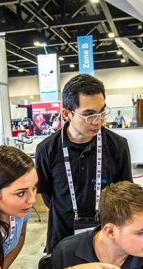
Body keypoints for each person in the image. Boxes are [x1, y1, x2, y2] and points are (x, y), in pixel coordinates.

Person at [35, 74, 133, 253]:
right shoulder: (46, 150)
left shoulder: (117, 146)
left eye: (102, 112)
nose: (98, 121)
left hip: (106, 234)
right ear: (67, 114)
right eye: (89, 115)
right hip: (62, 234)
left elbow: (124, 192)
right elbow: (48, 195)